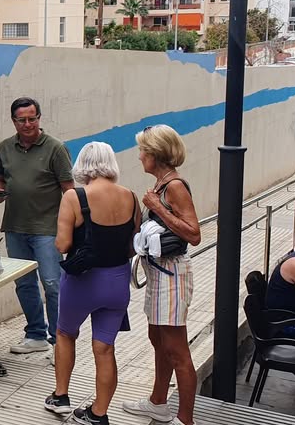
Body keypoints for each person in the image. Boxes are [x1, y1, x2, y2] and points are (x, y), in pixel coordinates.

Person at [44, 142, 140, 425]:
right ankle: (98, 413)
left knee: (65, 334)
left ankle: (61, 397)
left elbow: (62, 244)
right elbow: (132, 246)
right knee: (105, 348)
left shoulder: (74, 197)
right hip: (118, 281)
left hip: (82, 281)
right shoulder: (132, 198)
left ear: (83, 164)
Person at [122, 125, 201, 425]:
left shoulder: (174, 187)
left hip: (171, 274)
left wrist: (157, 208)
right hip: (158, 274)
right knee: (158, 339)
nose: (139, 155)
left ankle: (185, 419)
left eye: (143, 150)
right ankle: (158, 401)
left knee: (177, 349)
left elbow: (194, 234)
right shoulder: (161, 185)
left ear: (156, 154)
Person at [0, 96, 74, 355]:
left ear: (39, 118)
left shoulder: (55, 149)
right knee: (24, 283)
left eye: (32, 118)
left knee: (52, 283)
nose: (28, 124)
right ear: (13, 121)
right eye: (22, 120)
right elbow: (0, 179)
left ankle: (60, 340)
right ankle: (35, 334)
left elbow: (69, 191)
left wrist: (70, 228)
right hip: (15, 227)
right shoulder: (5, 147)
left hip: (47, 229)